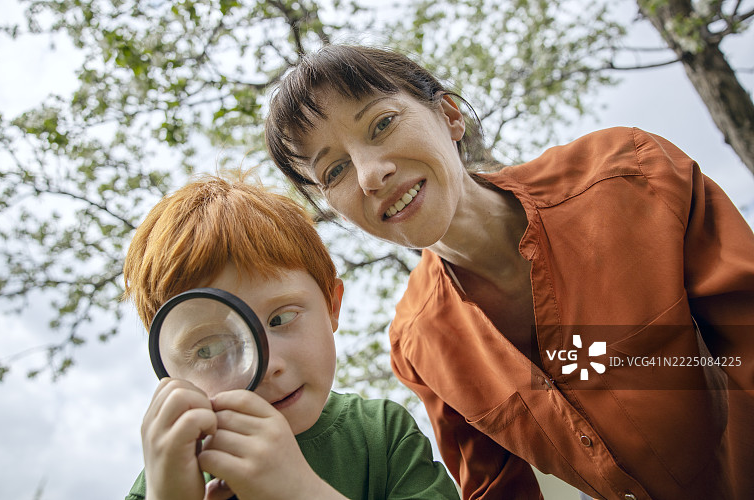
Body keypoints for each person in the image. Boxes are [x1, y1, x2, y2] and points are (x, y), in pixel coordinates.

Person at [264, 44, 754, 499]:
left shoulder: (631, 175)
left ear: (449, 116)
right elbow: (496, 490)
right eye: (335, 171)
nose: (371, 175)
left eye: (382, 124)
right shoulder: (416, 344)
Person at [122, 173, 459, 500]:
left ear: (332, 305)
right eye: (209, 349)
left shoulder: (382, 434)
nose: (268, 365)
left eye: (280, 319)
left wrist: (301, 491)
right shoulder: (167, 476)